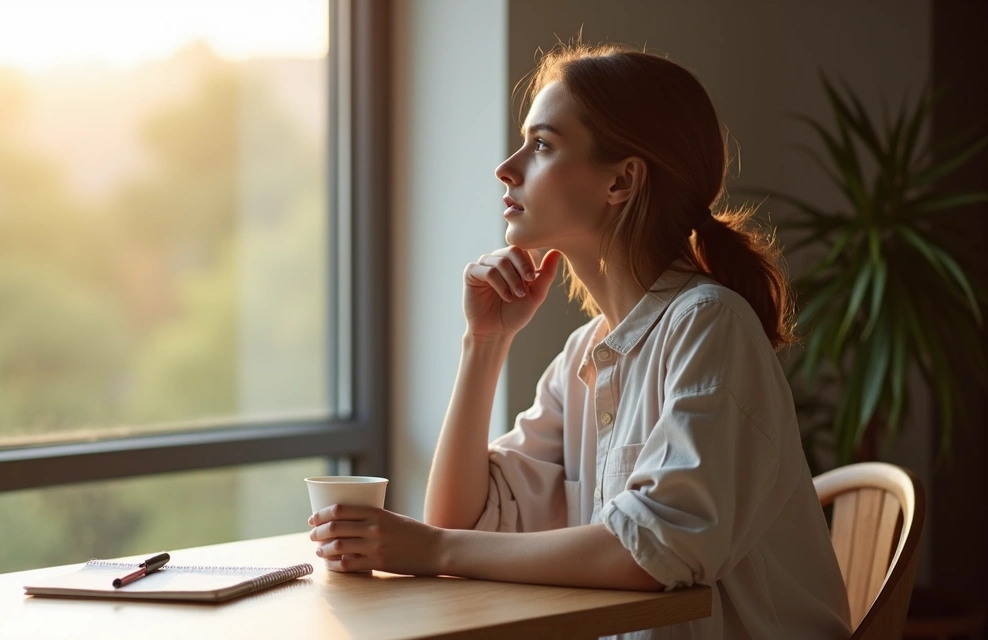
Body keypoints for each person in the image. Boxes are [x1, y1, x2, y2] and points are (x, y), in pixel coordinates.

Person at [308, 42, 852, 639]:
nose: (507, 168)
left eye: (541, 145)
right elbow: (463, 518)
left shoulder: (709, 323)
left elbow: (656, 551)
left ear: (622, 180)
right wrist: (483, 342)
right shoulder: (585, 353)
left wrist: (435, 551)